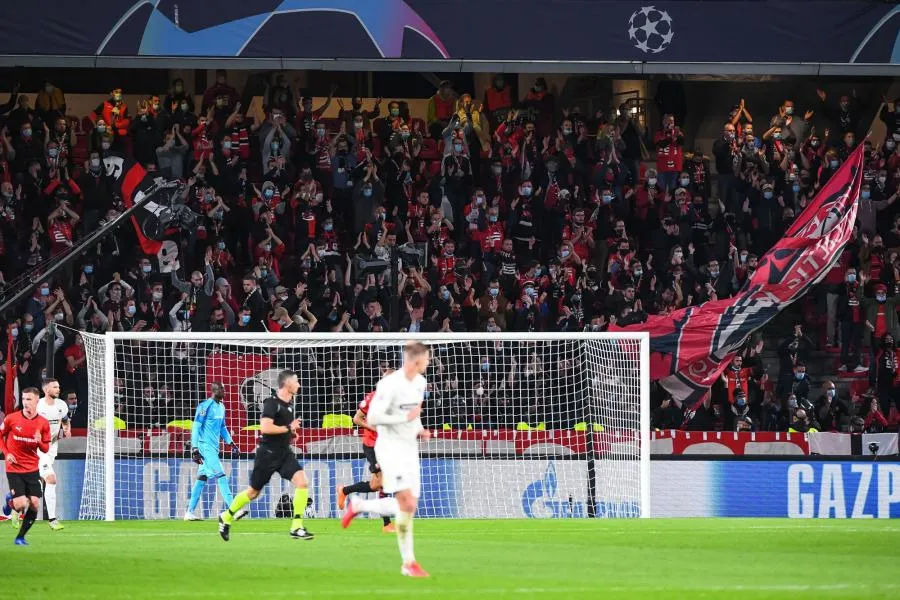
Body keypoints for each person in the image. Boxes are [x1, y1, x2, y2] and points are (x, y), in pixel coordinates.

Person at [341, 342, 432, 578]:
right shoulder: (388, 385)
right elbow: (373, 416)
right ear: (415, 360)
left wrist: (420, 429)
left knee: (410, 506)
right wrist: (404, 417)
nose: (429, 363)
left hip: (409, 447)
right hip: (389, 447)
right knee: (405, 502)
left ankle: (359, 505)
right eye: (427, 359)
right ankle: (409, 562)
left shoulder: (421, 383)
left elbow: (414, 415)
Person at [218, 370, 313, 541]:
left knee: (303, 482)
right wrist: (288, 429)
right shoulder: (272, 403)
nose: (299, 385)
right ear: (287, 384)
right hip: (267, 455)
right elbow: (265, 428)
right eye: (296, 381)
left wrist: (291, 435)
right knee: (253, 493)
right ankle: (226, 516)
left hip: (284, 454)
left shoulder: (289, 405)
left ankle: (296, 527)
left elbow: (282, 429)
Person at [336, 368, 396, 533]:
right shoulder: (372, 398)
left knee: (376, 484)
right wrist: (375, 428)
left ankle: (345, 490)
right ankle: (386, 524)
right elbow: (356, 419)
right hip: (372, 445)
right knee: (384, 483)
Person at [185, 382, 243, 521]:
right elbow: (196, 428)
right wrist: (194, 448)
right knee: (221, 475)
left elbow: (223, 427)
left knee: (202, 478)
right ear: (214, 390)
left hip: (214, 448)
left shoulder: (221, 407)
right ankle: (233, 510)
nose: (224, 391)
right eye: (222, 389)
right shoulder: (205, 406)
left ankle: (189, 512)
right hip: (205, 447)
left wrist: (231, 443)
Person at [0, 388, 51, 545]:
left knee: (35, 504)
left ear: (37, 401)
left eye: (29, 399)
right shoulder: (11, 418)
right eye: (23, 399)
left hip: (32, 468)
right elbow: (1, 435)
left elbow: (45, 449)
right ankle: (12, 501)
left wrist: (39, 441)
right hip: (14, 467)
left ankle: (20, 537)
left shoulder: (43, 423)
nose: (25, 402)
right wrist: (6, 452)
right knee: (21, 504)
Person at [36, 378, 70, 530]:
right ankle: (52, 519)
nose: (58, 389)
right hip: (37, 448)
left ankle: (14, 504)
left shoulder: (62, 405)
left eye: (58, 386)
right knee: (51, 479)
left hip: (52, 447)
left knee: (37, 485)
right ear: (46, 390)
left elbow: (65, 419)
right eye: (54, 387)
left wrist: (67, 428)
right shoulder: (38, 406)